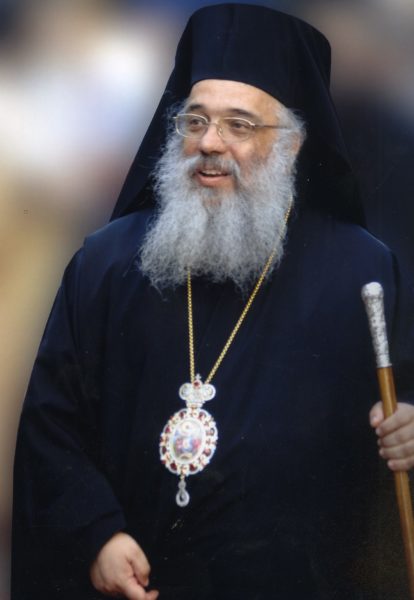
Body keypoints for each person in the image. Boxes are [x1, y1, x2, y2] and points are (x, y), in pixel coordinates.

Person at [11, 4, 414, 599]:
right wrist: (97, 534)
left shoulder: (362, 271)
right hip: (136, 581)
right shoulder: (107, 262)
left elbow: (400, 408)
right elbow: (52, 421)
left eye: (239, 125)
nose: (209, 143)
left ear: (292, 145)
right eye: (195, 120)